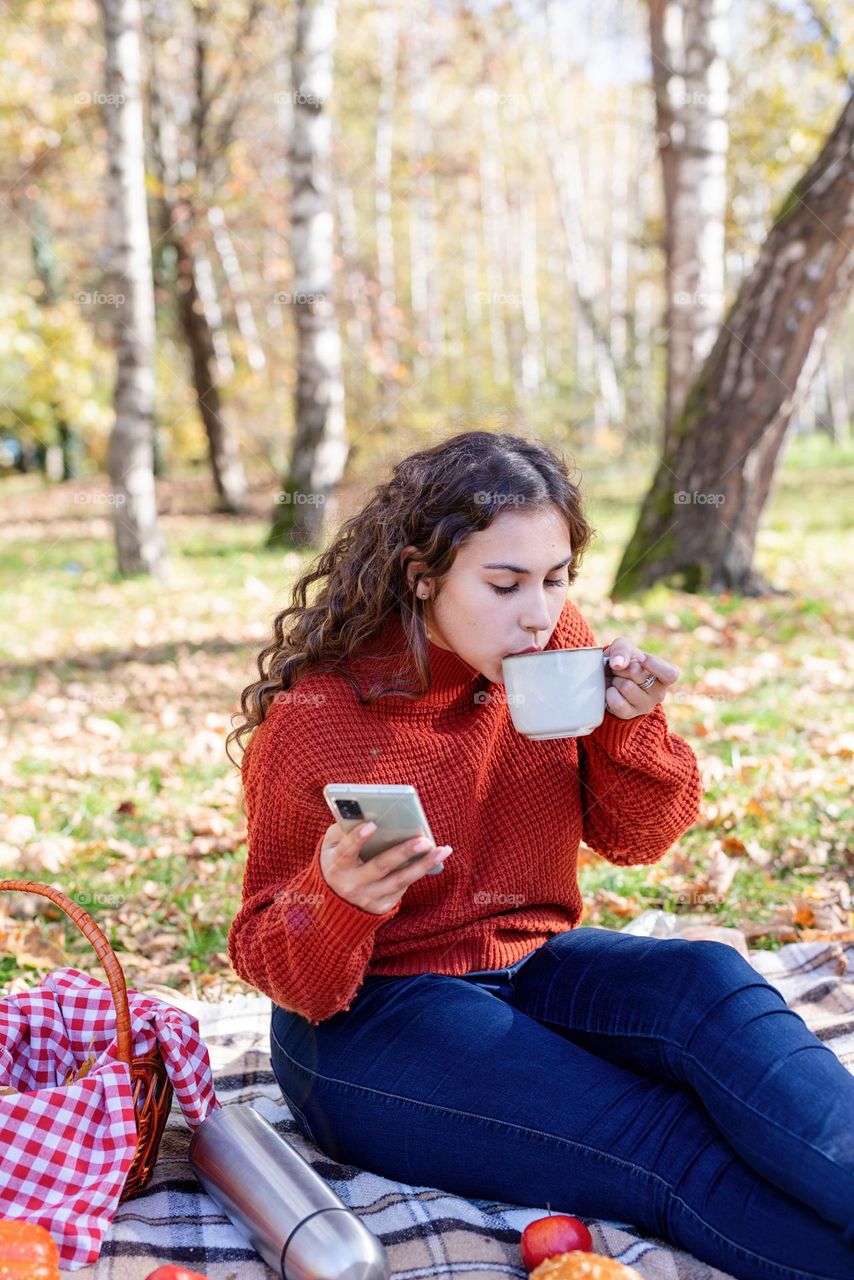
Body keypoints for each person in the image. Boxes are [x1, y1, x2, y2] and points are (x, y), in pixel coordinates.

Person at [227, 431, 854, 1280]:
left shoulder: (557, 652)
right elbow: (278, 966)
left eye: (556, 579)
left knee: (711, 980)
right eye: (505, 583)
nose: (538, 611)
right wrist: (337, 898)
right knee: (662, 1137)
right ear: (423, 576)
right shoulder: (319, 721)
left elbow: (641, 840)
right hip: (369, 1022)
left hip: (532, 962)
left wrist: (631, 726)